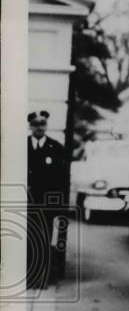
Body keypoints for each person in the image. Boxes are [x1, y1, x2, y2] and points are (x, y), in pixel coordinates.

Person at [26, 110, 67, 289]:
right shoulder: (21, 146)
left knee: (43, 239)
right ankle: (28, 278)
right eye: (35, 124)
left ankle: (41, 279)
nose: (39, 127)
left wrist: (60, 207)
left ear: (47, 125)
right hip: (26, 203)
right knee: (26, 239)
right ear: (30, 126)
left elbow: (61, 180)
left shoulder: (56, 148)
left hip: (45, 205)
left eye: (42, 123)